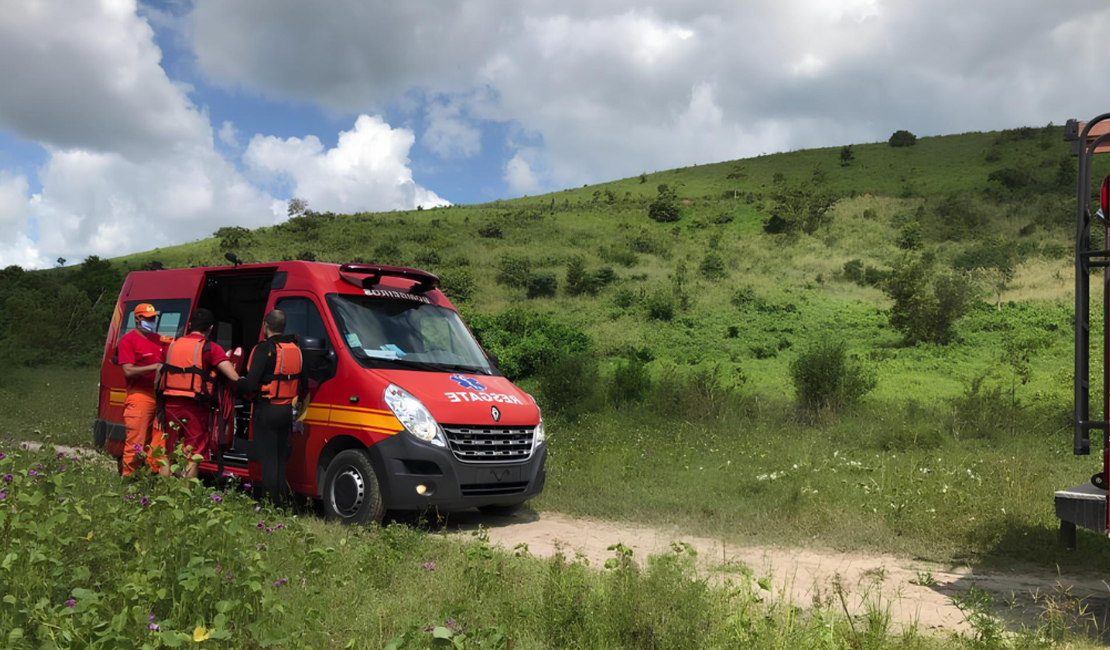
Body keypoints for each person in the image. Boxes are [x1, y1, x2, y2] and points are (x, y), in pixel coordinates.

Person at [157, 308, 240, 479]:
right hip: (195, 406)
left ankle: (162, 492)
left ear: (189, 325)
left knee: (169, 450)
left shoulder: (171, 346)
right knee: (193, 452)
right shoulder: (210, 348)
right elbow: (233, 376)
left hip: (170, 403)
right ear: (210, 328)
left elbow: (159, 376)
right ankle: (185, 494)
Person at [239, 309, 304, 505]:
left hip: (266, 410)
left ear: (265, 326)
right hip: (286, 411)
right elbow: (304, 383)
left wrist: (237, 383)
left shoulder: (263, 349)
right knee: (279, 459)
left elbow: (250, 385)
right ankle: (281, 502)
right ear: (283, 327)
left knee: (268, 459)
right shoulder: (296, 350)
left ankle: (270, 503)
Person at [116, 303, 169, 476]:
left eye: (153, 317)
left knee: (158, 444)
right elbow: (128, 370)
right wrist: (154, 367)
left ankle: (150, 482)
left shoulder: (157, 339)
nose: (151, 321)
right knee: (136, 444)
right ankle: (128, 482)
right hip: (139, 396)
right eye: (148, 318)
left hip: (159, 397)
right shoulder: (128, 340)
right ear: (137, 319)